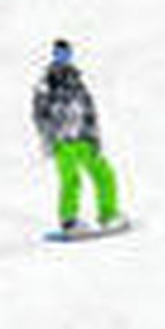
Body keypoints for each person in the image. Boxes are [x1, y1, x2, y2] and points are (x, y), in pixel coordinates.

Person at [31, 40, 121, 234]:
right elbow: (39, 113)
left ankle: (108, 214)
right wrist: (49, 137)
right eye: (58, 54)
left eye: (65, 54)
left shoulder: (76, 80)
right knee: (71, 180)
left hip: (84, 138)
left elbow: (89, 109)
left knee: (104, 174)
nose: (62, 58)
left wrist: (94, 135)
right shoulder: (47, 82)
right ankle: (69, 221)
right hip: (63, 141)